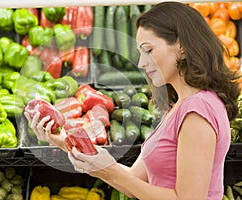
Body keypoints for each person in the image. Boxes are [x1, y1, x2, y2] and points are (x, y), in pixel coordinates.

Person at [24, 2, 241, 199]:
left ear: (182, 46)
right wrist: (63, 141)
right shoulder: (179, 108)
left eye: (148, 50)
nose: (141, 63)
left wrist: (110, 170)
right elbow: (133, 182)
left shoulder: (197, 110)